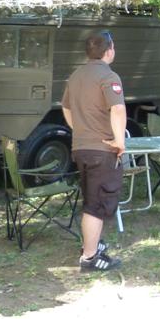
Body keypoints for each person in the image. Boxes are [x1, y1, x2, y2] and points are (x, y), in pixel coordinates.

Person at [62, 31, 127, 272]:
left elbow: (66, 108)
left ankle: (92, 245)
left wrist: (80, 129)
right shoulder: (109, 76)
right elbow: (118, 110)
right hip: (102, 149)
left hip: (81, 147)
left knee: (91, 198)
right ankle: (89, 258)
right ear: (109, 50)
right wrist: (120, 141)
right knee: (96, 204)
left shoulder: (75, 76)